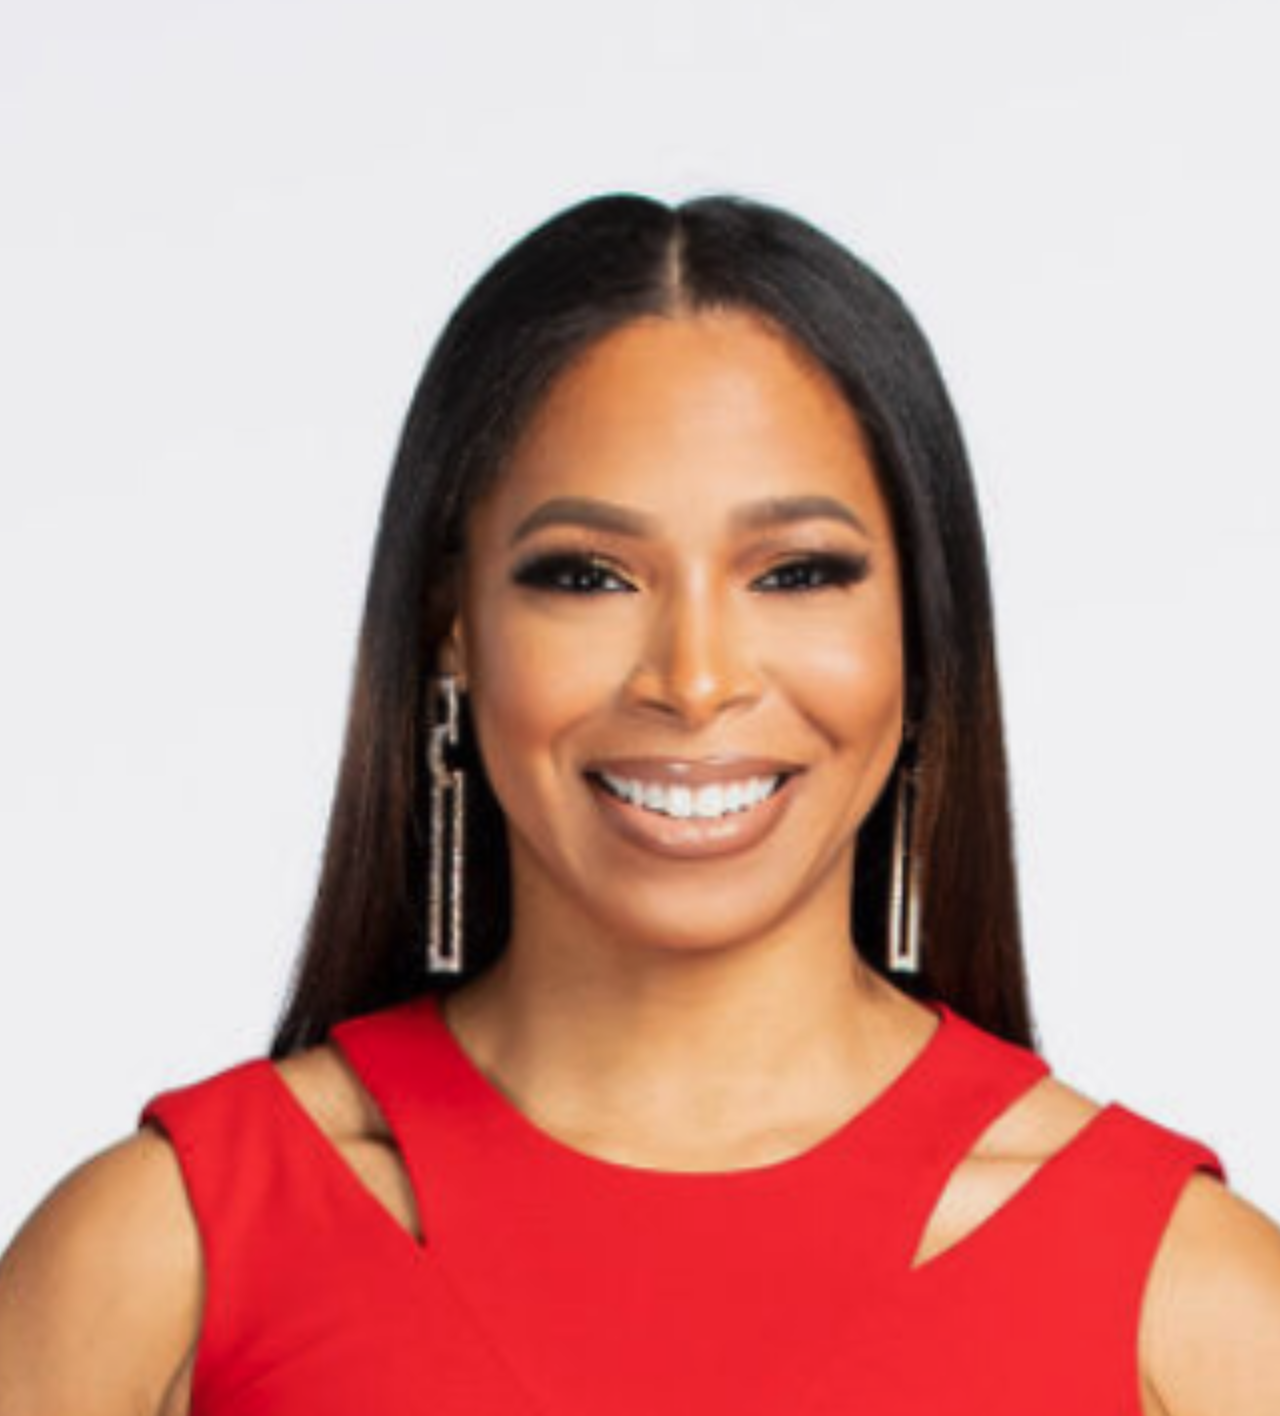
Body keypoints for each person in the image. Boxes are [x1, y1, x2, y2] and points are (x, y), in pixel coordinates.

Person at [1, 191, 1277, 1415]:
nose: (696, 678)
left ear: (920, 634)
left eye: (794, 573)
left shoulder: (1192, 1302)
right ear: (453, 626)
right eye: (586, 574)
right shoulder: (158, 1263)